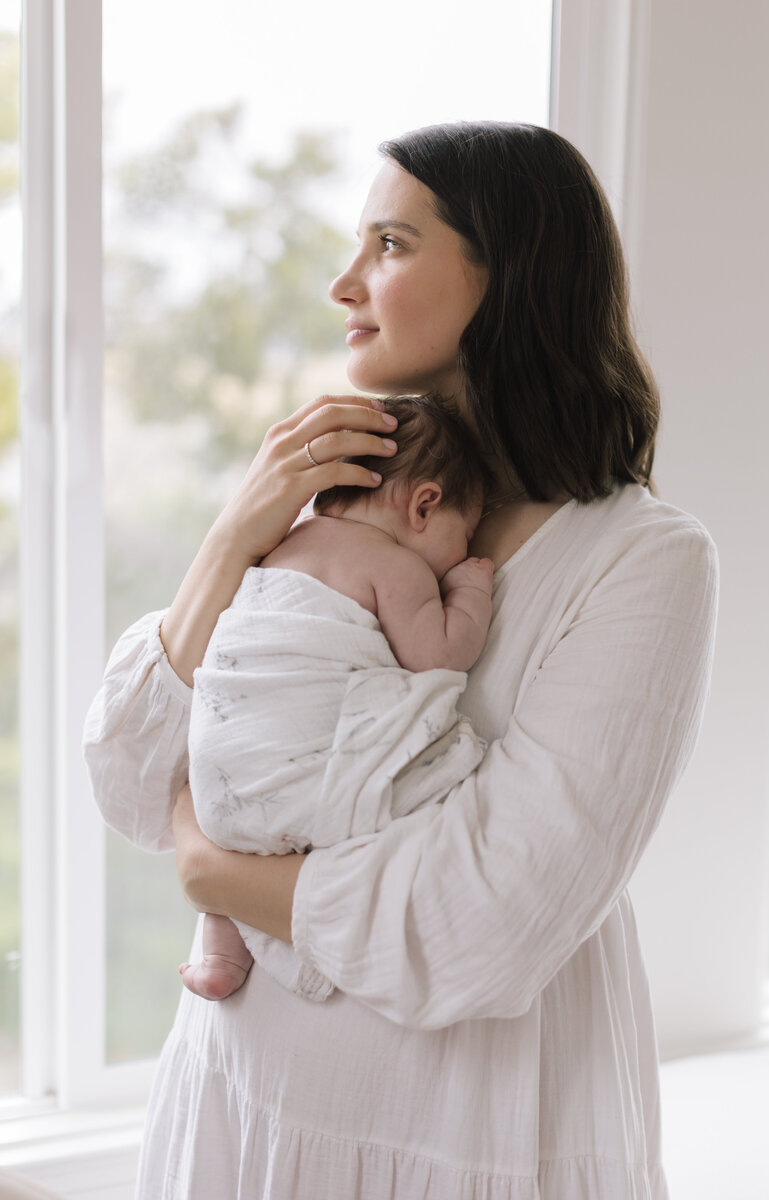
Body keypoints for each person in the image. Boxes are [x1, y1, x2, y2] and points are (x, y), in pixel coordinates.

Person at [83, 121, 718, 1199]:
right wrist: (231, 536)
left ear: (508, 276)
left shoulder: (638, 562)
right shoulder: (335, 486)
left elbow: (482, 925)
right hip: (243, 1106)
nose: (343, 284)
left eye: (387, 243)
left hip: (470, 1134)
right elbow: (131, 780)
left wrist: (216, 874)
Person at [180, 394, 494, 1003]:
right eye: (467, 532)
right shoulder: (395, 565)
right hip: (302, 782)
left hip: (217, 782)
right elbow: (439, 655)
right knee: (437, 764)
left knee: (248, 837)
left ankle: (220, 947)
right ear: (425, 504)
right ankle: (245, 944)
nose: (465, 549)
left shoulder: (284, 544)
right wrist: (470, 593)